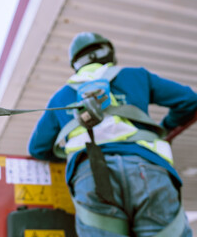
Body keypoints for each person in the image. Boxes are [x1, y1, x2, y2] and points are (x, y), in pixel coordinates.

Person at [28, 32, 197, 237]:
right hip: (147, 166)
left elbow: (37, 148)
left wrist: (70, 155)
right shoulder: (136, 76)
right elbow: (189, 100)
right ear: (109, 54)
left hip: (90, 173)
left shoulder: (61, 97)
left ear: (75, 63)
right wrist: (163, 129)